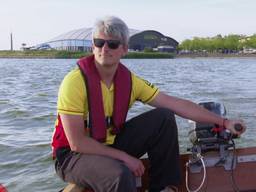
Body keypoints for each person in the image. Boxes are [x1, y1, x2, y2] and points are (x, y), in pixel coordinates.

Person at [51, 16, 246, 192]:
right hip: (72, 156)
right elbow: (77, 143)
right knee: (120, 175)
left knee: (164, 117)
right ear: (93, 46)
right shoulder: (75, 82)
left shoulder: (130, 81)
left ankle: (164, 187)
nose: (104, 49)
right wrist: (124, 157)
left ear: (124, 49)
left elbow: (176, 104)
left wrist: (223, 122)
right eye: (99, 43)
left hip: (109, 143)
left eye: (112, 44)